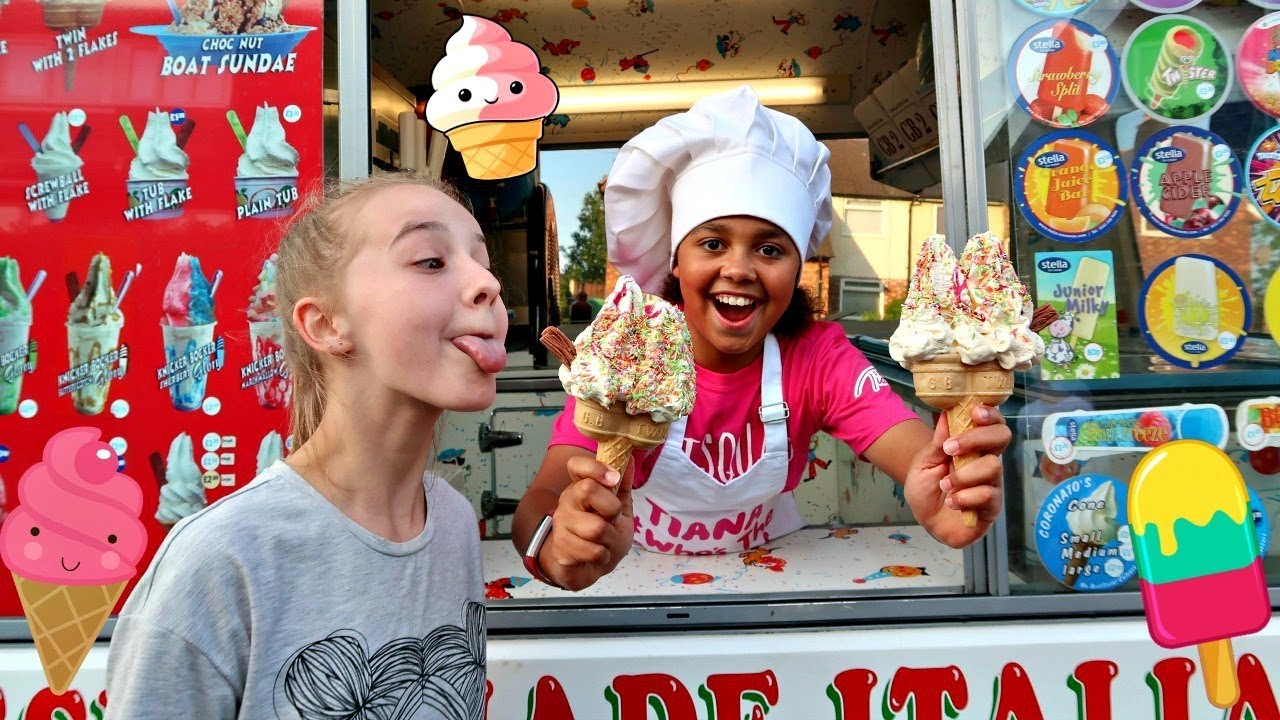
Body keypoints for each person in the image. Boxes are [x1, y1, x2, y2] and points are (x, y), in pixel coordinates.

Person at [513, 87, 1011, 592]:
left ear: (797, 269)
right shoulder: (627, 362)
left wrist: (945, 486)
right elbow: (539, 501)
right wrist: (556, 548)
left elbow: (912, 451)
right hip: (634, 580)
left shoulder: (816, 357)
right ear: (675, 259)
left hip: (769, 583)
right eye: (712, 243)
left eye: (770, 249)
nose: (739, 269)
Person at [106, 173, 506, 719]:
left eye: (482, 260)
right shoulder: (222, 561)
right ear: (325, 324)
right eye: (431, 261)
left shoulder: (453, 523)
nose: (487, 283)